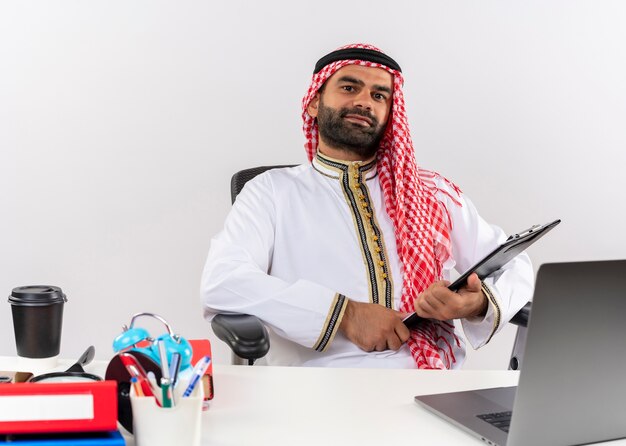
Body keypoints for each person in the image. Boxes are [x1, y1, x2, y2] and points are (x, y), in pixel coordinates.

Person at [201, 43, 533, 369]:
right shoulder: (271, 191)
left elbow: (514, 263)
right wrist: (345, 314)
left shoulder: (431, 191)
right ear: (315, 102)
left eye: (379, 95)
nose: (364, 102)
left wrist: (475, 304)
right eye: (349, 87)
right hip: (320, 386)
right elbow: (224, 279)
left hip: (435, 378)